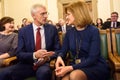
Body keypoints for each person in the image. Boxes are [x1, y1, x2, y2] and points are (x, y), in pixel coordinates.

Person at [0, 4, 60, 80]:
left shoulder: (52, 29)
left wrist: (48, 58)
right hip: (27, 63)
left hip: (44, 64)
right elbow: (19, 54)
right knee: (3, 73)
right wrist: (35, 55)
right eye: (42, 14)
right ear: (33, 15)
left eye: (46, 13)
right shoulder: (23, 31)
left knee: (43, 73)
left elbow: (58, 50)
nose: (45, 16)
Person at [55, 1, 110, 80]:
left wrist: (70, 68)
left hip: (93, 66)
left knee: (74, 75)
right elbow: (63, 50)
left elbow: (92, 58)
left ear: (77, 14)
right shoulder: (69, 32)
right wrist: (59, 57)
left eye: (68, 14)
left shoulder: (93, 31)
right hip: (76, 65)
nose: (66, 17)